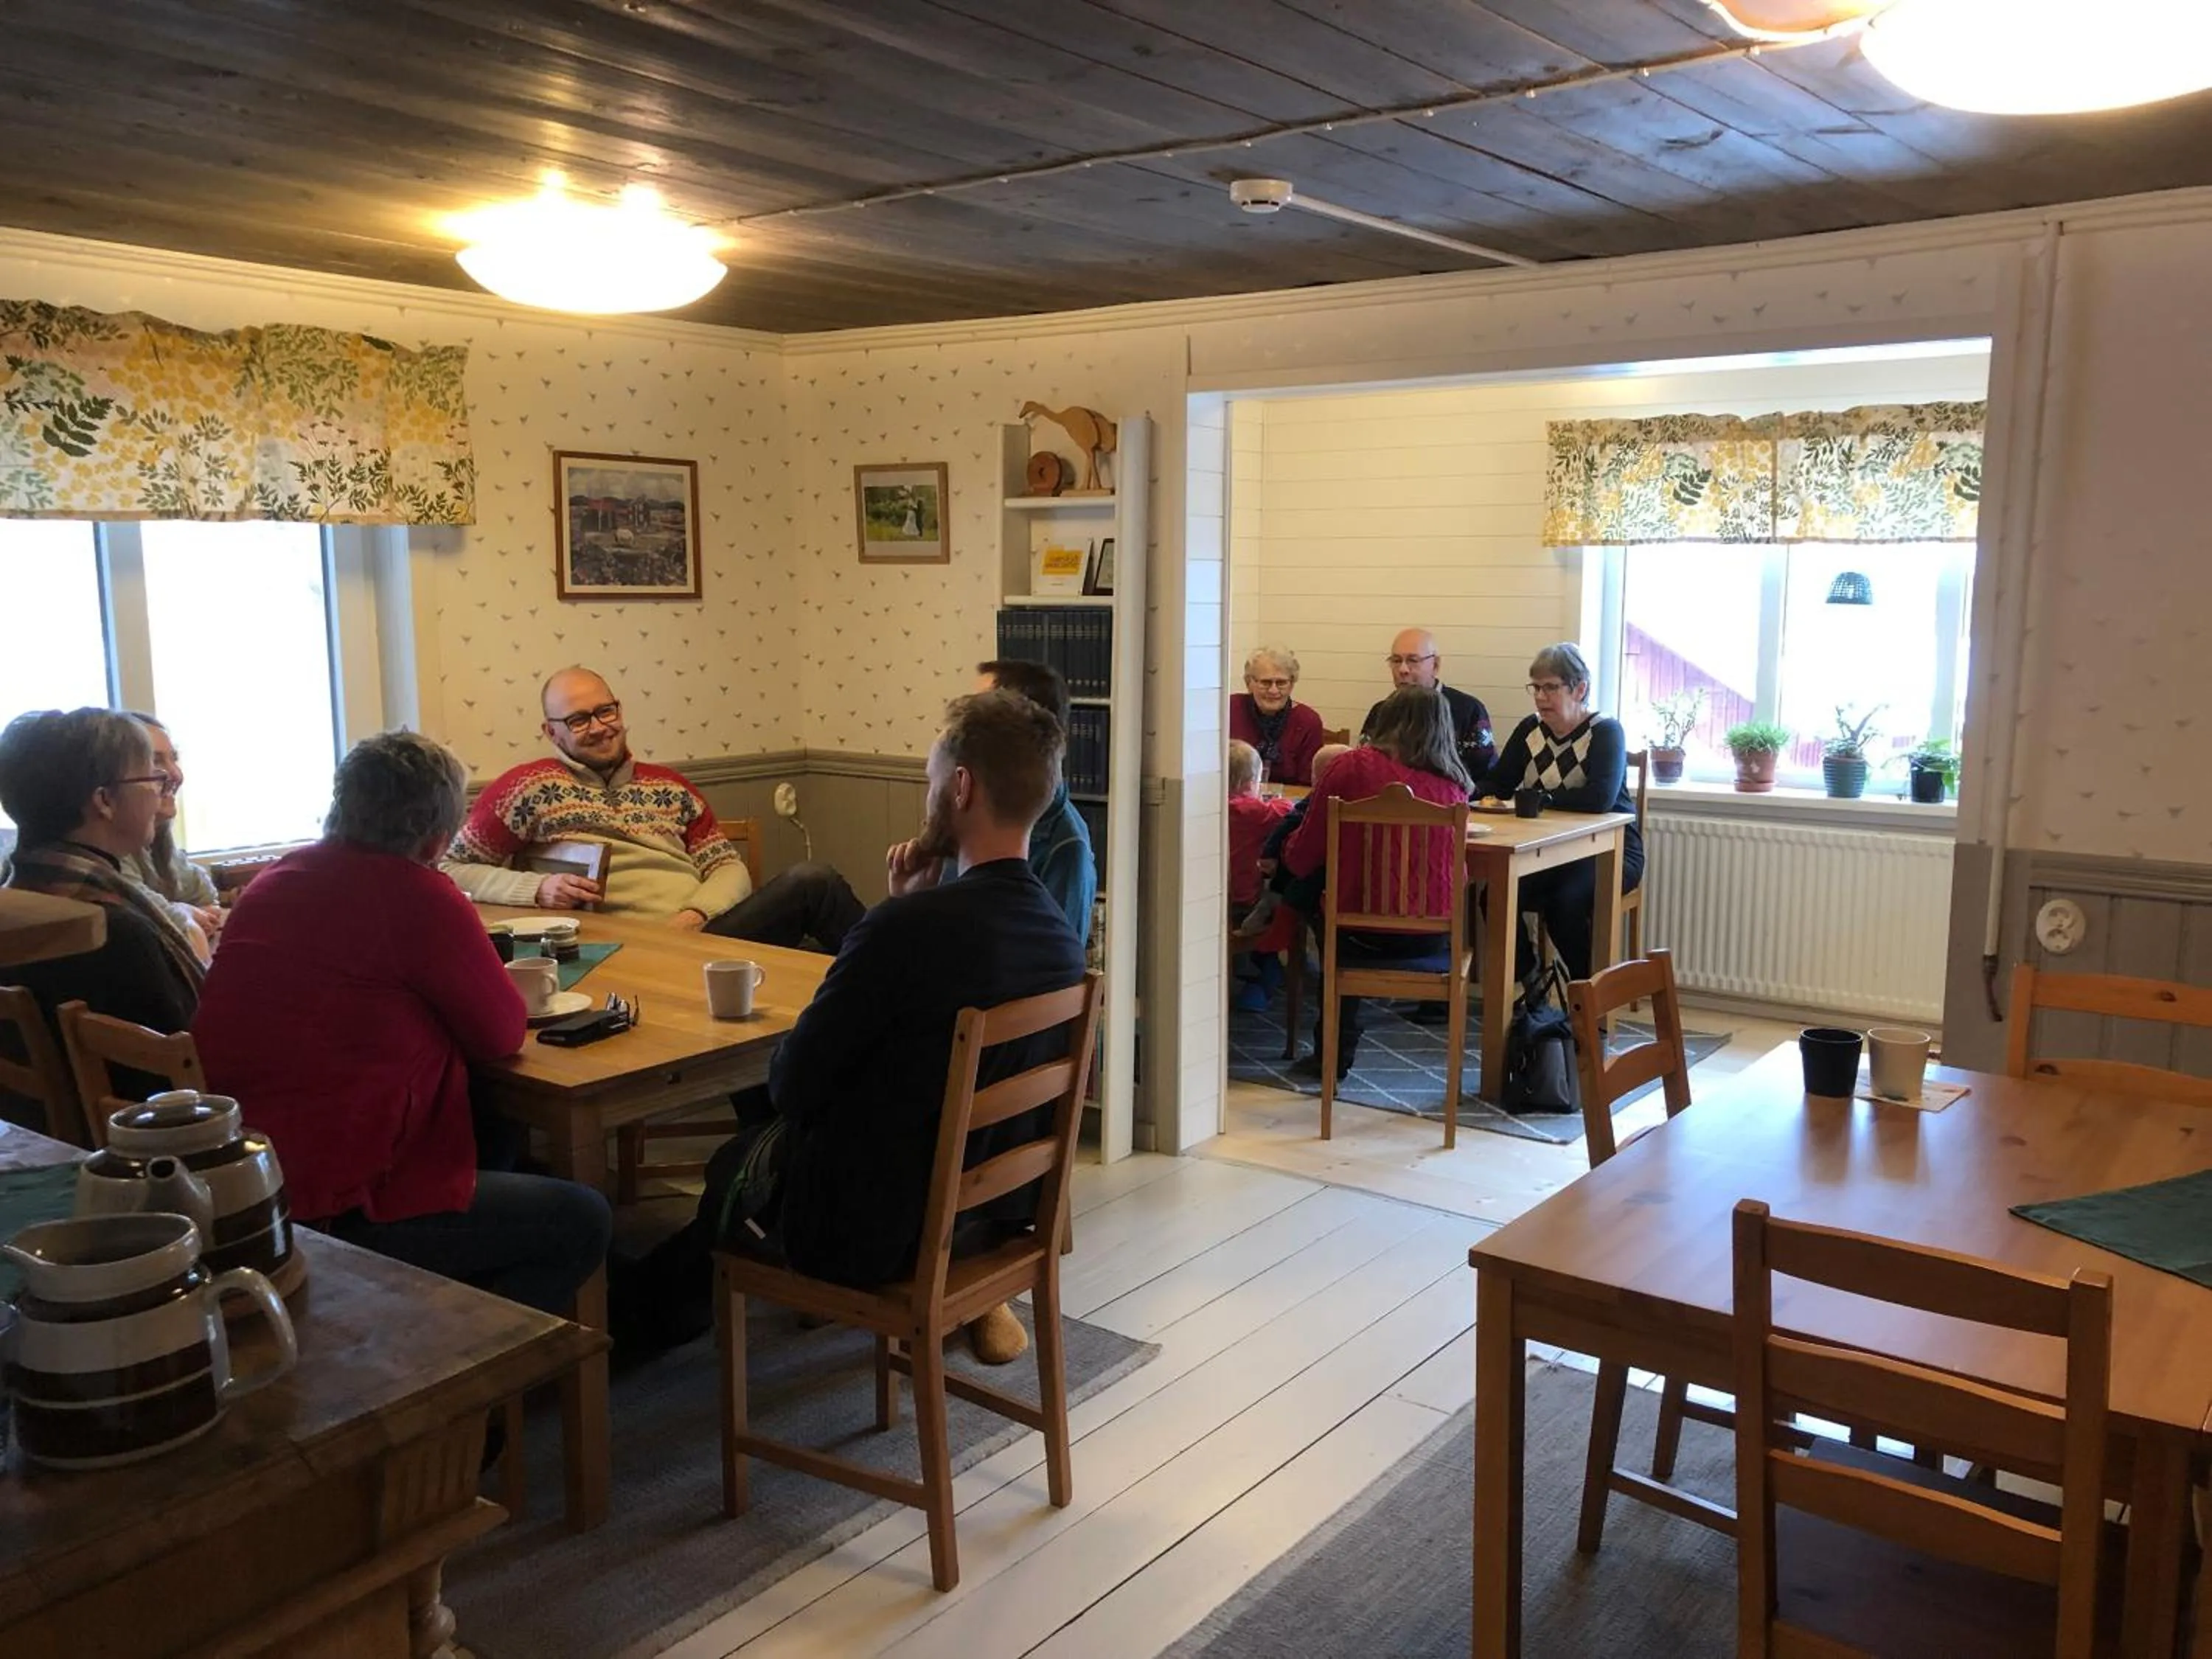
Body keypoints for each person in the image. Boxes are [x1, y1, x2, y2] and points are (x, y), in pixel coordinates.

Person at [629, 691, 1088, 1365]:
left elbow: (792, 1084)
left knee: (737, 1166)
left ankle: (626, 1326)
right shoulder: (1059, 937)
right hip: (985, 1224)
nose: (928, 794)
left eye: (932, 779)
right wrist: (899, 911)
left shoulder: (906, 931)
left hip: (872, 1235)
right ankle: (652, 1307)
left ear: (961, 787)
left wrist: (892, 918)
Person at [193, 730, 610, 1317]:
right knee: (582, 1217)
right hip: (339, 1201)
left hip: (245, 1177)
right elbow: (500, 1032)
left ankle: (466, 1314)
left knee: (493, 1124)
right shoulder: (418, 895)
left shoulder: (275, 881)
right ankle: (478, 1371)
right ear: (439, 840)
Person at [442, 667, 864, 953]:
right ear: (551, 732)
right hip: (614, 952)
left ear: (620, 711)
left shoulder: (670, 786)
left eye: (606, 711)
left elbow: (726, 867)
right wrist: (536, 890)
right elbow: (451, 868)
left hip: (701, 933)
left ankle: (906, 993)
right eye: (579, 720)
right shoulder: (526, 788)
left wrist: (695, 915)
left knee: (814, 883)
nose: (600, 727)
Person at [0, 709, 203, 1102]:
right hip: (149, 1143)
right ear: (105, 800)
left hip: (42, 1137)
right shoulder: (110, 930)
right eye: (151, 776)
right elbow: (184, 1072)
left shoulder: (19, 902)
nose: (165, 786)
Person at [1282, 689, 1471, 1079]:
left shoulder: (1351, 767)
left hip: (1357, 932)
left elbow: (1303, 854)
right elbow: (1461, 878)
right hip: (1431, 937)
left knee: (1313, 891)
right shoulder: (1454, 788)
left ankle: (1331, 1049)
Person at [1475, 643, 1644, 984]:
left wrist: (1540, 798)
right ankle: (1533, 982)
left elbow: (1599, 799)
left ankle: (1586, 997)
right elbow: (1501, 782)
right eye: (1536, 687)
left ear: (1579, 689)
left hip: (1611, 852)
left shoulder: (1605, 731)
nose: (1540, 697)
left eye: (1551, 687)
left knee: (1563, 904)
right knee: (1493, 897)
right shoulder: (1530, 730)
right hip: (1550, 852)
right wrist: (1462, 791)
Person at [975, 659, 1096, 940]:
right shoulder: (972, 815)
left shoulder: (1066, 849)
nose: (962, 726)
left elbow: (1057, 969)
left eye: (977, 715)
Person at [123, 714, 224, 961]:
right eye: (155, 761)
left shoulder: (157, 840)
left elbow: (206, 898)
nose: (176, 775)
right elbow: (175, 927)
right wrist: (182, 912)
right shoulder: (108, 857)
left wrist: (185, 911)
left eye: (174, 758)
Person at [1359, 629, 1497, 782]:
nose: (1403, 670)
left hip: (1452, 801)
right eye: (1396, 661)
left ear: (1435, 665)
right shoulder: (1380, 712)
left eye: (1413, 660)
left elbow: (1487, 777)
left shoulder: (1470, 710)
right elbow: (1362, 767)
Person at [1226, 740, 1292, 1012]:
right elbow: (1288, 811)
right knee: (1282, 895)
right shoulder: (1252, 812)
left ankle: (1254, 971)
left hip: (1211, 904)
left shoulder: (1207, 808)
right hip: (1246, 906)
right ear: (1252, 780)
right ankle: (1266, 975)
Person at [1229, 645, 1327, 786]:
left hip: (1289, 803)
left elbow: (1308, 784)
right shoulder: (1230, 709)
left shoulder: (1308, 721)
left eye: (1281, 683)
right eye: (1265, 682)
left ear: (1292, 684)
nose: (1274, 690)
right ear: (1249, 683)